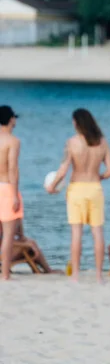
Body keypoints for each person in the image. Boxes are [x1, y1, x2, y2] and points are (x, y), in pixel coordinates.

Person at [46, 108, 110, 283]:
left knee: (76, 233)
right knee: (97, 232)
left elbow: (63, 170)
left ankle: (76, 275)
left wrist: (52, 187)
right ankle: (99, 275)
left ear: (76, 123)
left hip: (77, 188)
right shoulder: (102, 142)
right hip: (95, 189)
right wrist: (99, 176)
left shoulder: (72, 142)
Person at [0, 106, 23, 281]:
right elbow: (12, 169)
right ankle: (5, 274)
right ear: (11, 120)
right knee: (8, 235)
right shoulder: (13, 141)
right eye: (14, 118)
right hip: (7, 187)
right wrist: (15, 194)